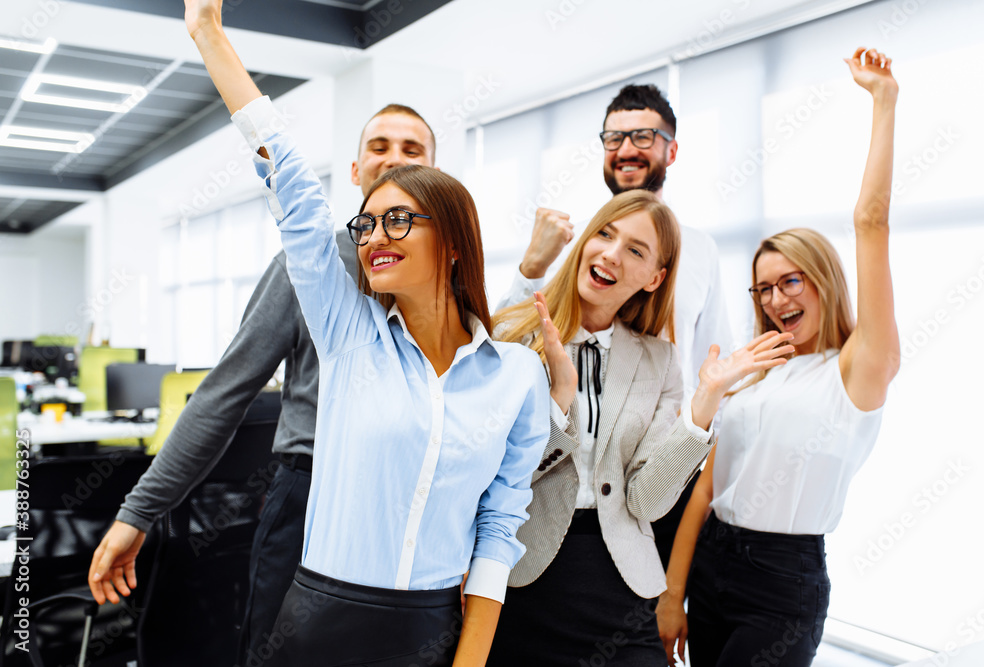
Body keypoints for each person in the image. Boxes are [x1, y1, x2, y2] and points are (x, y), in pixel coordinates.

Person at [171, 1, 551, 665]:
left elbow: (498, 527)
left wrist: (470, 659)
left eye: (400, 220)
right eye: (368, 223)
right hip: (317, 620)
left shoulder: (517, 377)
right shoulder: (350, 337)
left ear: (455, 242)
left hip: (430, 627)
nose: (375, 235)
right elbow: (287, 177)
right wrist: (209, 35)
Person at [87, 89, 437, 667]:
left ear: (435, 170)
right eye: (379, 146)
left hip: (407, 509)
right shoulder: (310, 265)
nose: (395, 156)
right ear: (355, 171)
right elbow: (223, 396)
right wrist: (138, 512)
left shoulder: (452, 281)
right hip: (308, 500)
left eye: (412, 147)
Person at [657, 48, 900, 667]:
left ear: (823, 281)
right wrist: (673, 590)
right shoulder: (755, 370)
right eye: (763, 286)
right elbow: (707, 487)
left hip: (781, 582)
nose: (775, 297)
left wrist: (883, 101)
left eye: (792, 281)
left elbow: (870, 221)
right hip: (711, 564)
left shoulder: (858, 367)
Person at [488, 190, 792, 665]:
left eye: (635, 250)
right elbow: (495, 473)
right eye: (605, 234)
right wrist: (559, 402)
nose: (611, 254)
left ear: (655, 278)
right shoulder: (512, 335)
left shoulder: (660, 360)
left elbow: (646, 501)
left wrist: (703, 405)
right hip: (522, 574)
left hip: (621, 583)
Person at [512, 83, 731, 570]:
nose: (626, 149)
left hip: (660, 459)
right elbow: (514, 335)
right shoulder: (578, 242)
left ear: (671, 150)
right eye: (613, 138)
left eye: (643, 136)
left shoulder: (701, 252)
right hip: (567, 462)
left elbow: (713, 360)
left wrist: (692, 437)